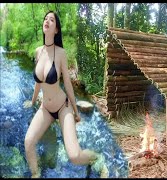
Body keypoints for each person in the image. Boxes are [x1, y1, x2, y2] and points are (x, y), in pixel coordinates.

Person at [23, 11, 107, 178]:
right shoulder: (38, 51)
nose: (47, 20)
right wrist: (33, 102)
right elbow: (38, 82)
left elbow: (68, 84)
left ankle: (98, 157)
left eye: (51, 19)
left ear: (56, 30)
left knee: (75, 156)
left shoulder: (60, 53)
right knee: (28, 143)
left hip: (63, 107)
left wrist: (76, 112)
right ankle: (36, 173)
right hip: (45, 108)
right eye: (45, 18)